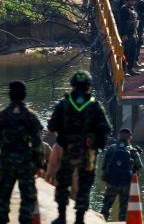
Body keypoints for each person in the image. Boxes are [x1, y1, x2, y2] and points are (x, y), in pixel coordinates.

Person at [47, 71, 112, 224]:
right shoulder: (94, 105)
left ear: (73, 86)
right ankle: (80, 219)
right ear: (89, 87)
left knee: (63, 183)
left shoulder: (64, 104)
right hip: (88, 152)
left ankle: (62, 216)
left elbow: (52, 125)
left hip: (67, 149)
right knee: (84, 184)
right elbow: (106, 129)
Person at [0, 80, 44, 224]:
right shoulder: (31, 116)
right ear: (24, 95)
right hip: (25, 161)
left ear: (10, 95)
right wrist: (39, 164)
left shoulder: (0, 116)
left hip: (6, 160)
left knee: (3, 195)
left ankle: (2, 220)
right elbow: (37, 144)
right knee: (27, 196)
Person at [99, 128, 143, 221]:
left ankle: (101, 221)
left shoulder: (112, 148)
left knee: (106, 206)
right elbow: (139, 167)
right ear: (130, 138)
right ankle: (122, 222)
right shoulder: (133, 150)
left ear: (119, 136)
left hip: (112, 182)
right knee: (124, 207)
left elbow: (103, 166)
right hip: (126, 183)